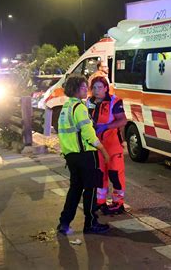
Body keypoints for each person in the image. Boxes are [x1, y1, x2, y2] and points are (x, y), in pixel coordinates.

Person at [56, 75, 111, 235]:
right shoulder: (79, 108)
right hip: (85, 155)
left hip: (71, 155)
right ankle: (91, 223)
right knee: (91, 190)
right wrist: (103, 150)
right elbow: (89, 133)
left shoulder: (65, 108)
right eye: (83, 87)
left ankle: (64, 223)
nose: (86, 90)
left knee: (74, 190)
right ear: (76, 89)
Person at [86, 76, 127, 215]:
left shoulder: (114, 101)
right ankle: (100, 202)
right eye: (94, 88)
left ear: (105, 88)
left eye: (100, 87)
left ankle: (118, 203)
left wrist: (106, 127)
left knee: (115, 174)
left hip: (112, 146)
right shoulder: (89, 102)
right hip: (96, 146)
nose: (97, 91)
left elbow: (123, 121)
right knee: (99, 175)